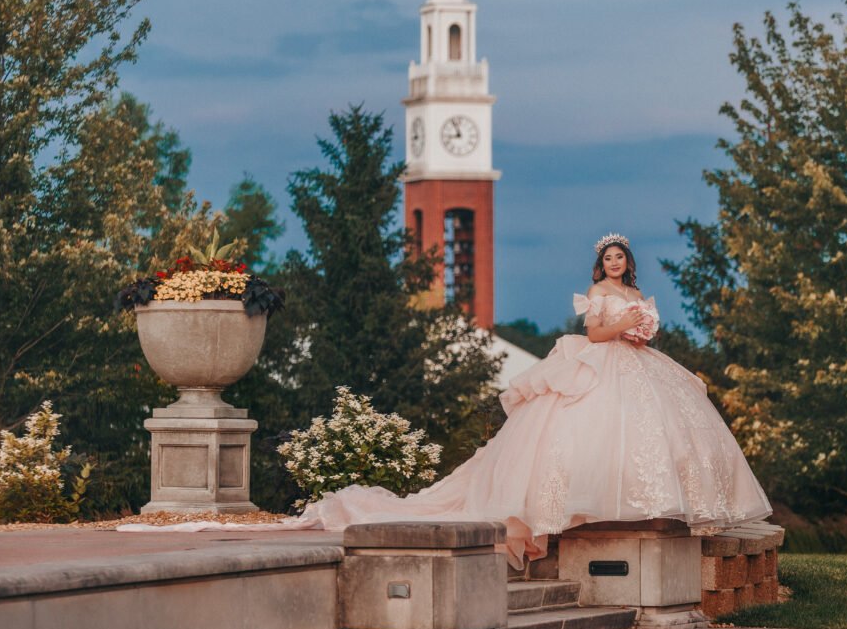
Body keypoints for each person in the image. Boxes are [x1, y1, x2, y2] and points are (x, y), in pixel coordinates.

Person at [122, 233, 772, 568]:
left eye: (620, 258)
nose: (613, 263)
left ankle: (650, 515)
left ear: (630, 264)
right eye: (607, 257)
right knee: (581, 437)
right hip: (602, 360)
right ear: (598, 265)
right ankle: (573, 518)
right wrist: (621, 327)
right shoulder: (596, 299)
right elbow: (597, 330)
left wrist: (648, 336)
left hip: (640, 369)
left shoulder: (641, 297)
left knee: (652, 437)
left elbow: (635, 329)